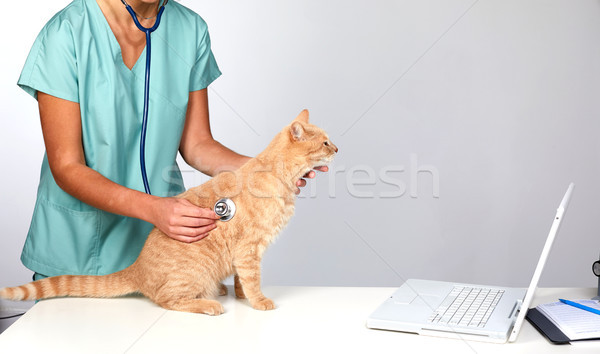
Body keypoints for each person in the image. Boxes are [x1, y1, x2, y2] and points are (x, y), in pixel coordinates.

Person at [18, 0, 326, 281]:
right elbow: (67, 166)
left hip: (168, 253)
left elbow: (197, 145)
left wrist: (266, 169)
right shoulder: (65, 35)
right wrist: (154, 209)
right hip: (78, 252)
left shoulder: (190, 29)